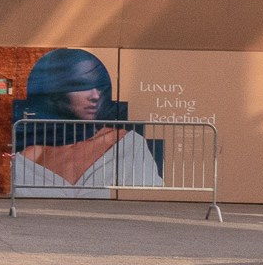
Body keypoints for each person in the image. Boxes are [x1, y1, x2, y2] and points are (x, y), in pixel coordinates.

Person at [11, 49, 161, 197]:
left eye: (99, 86)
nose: (95, 96)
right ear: (55, 92)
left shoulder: (128, 145)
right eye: (81, 85)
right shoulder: (29, 158)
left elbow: (150, 198)